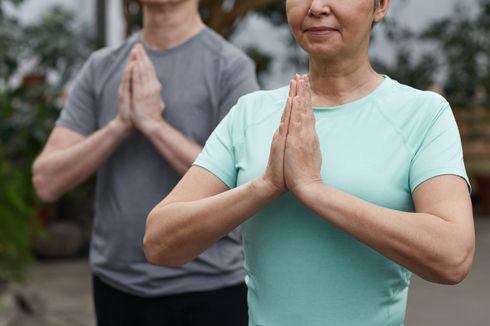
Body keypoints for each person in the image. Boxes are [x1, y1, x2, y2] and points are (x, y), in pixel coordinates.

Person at [143, 0, 476, 325]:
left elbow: (452, 257)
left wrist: (314, 190)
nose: (316, 6)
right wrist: (266, 186)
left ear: (381, 5)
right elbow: (160, 243)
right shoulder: (250, 114)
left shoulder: (423, 115)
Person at [32, 0, 258, 325]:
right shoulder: (101, 66)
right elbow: (46, 182)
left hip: (210, 288)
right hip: (117, 286)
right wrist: (119, 126)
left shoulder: (230, 67)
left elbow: (246, 186)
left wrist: (154, 125)